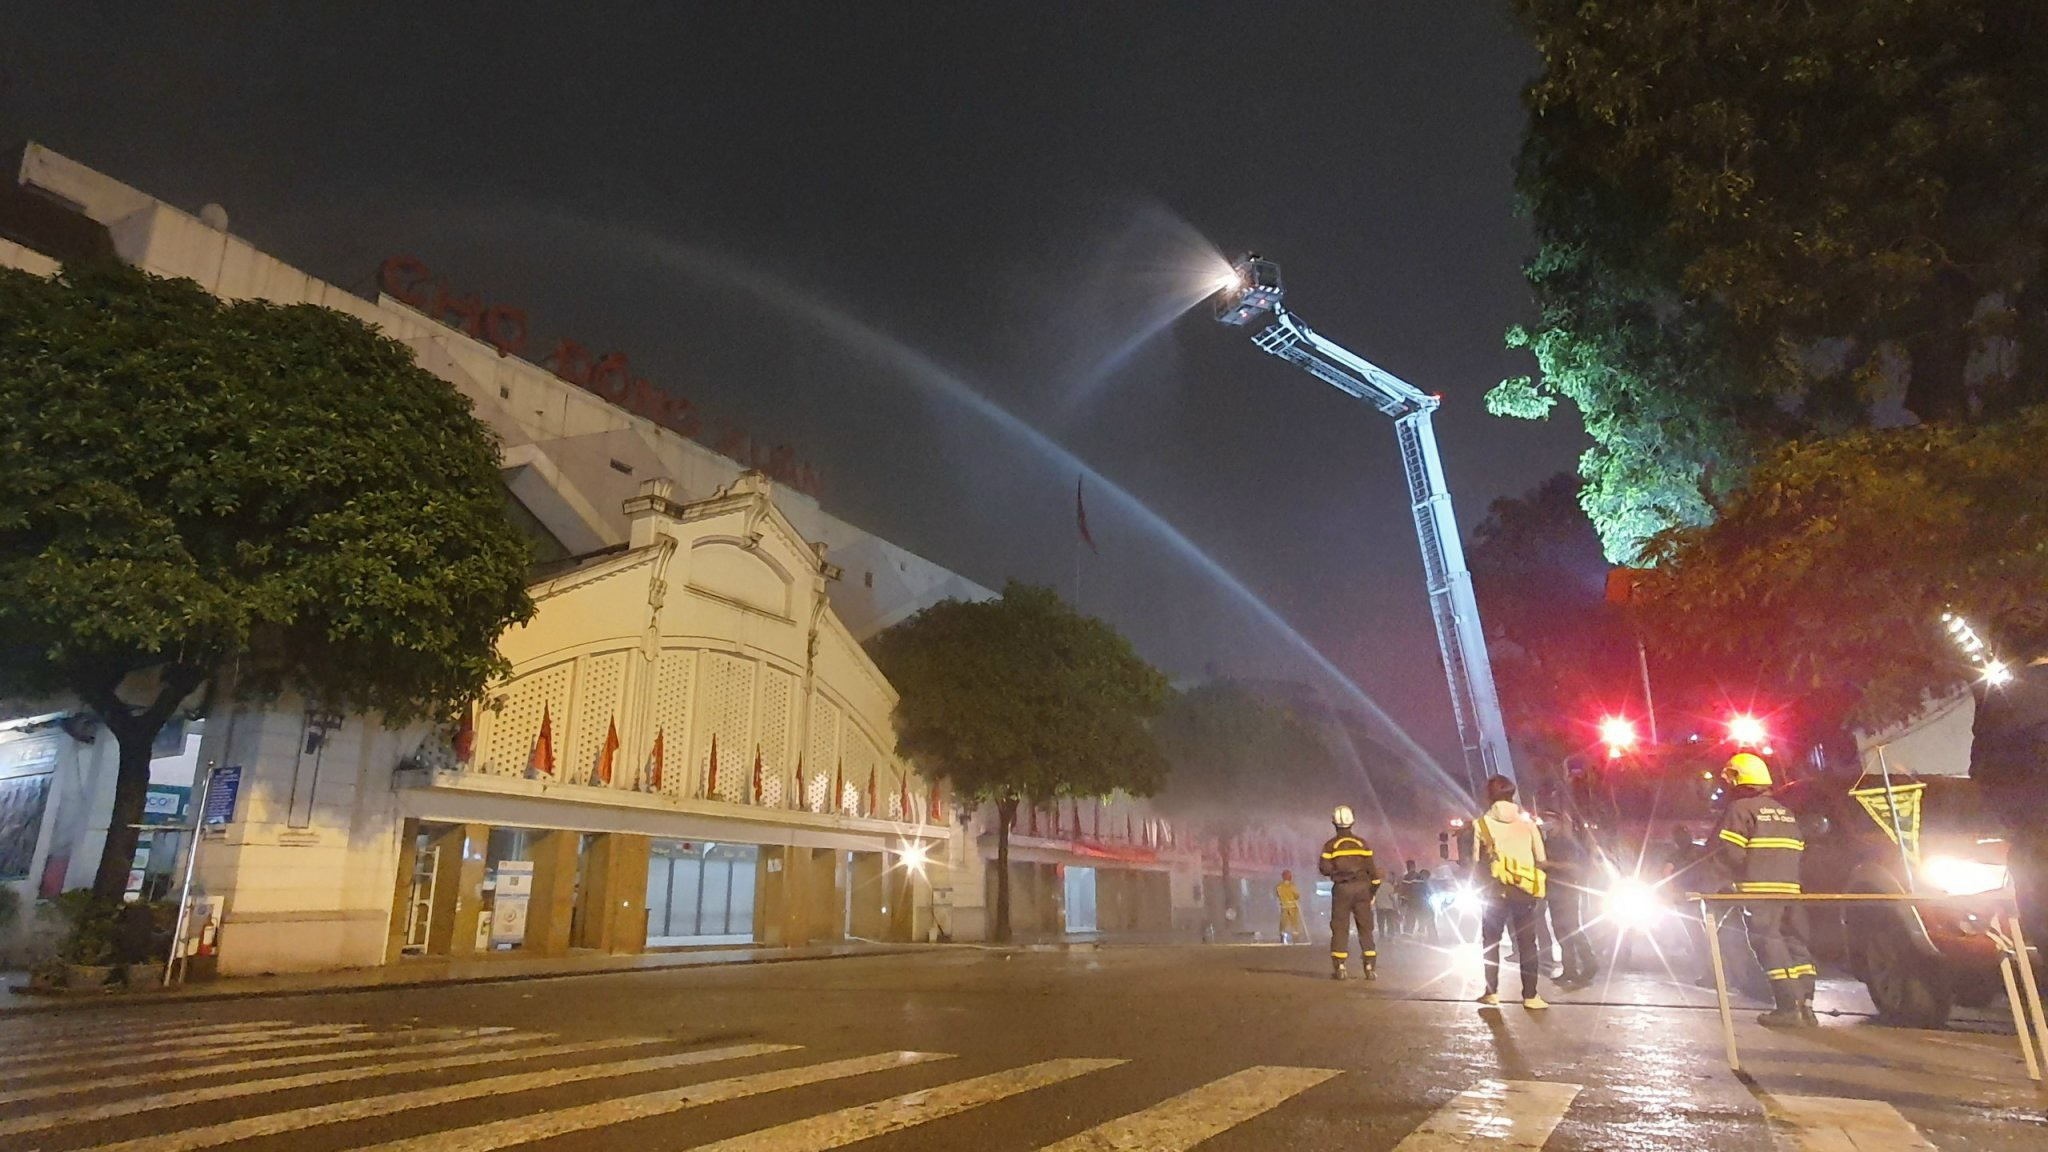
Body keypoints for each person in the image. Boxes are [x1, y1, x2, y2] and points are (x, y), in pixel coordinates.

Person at [1710, 752, 1817, 1027]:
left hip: (1757, 890)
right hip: (1790, 889)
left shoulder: (1741, 809)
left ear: (1739, 779)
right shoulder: (1784, 811)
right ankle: (1806, 1005)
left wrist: (1716, 886)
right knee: (1794, 943)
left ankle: (1787, 1007)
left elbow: (1729, 854)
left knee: (1767, 943)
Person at [1474, 775, 1548, 1010]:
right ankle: (1531, 996)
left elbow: (1477, 863)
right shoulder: (1528, 824)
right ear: (1512, 794)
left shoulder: (1481, 824)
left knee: (1491, 943)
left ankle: (1491, 992)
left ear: (1489, 795)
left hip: (1494, 892)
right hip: (1524, 891)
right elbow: (1541, 859)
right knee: (1527, 943)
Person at [1318, 804, 1383, 980]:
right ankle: (1369, 966)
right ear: (1352, 822)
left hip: (1342, 890)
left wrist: (1337, 872)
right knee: (1366, 928)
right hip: (1363, 889)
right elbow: (1374, 875)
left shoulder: (1331, 845)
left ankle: (1340, 967)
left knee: (1340, 927)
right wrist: (1372, 893)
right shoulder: (1362, 844)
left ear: (1334, 823)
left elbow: (1324, 868)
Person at [1541, 810, 1598, 987]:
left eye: (1549, 820)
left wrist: (1550, 865)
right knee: (1560, 931)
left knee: (1572, 928)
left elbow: (1574, 867)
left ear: (1557, 822)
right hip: (1553, 890)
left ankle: (1590, 965)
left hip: (1567, 891)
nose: (1545, 823)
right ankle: (1569, 969)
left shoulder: (1567, 843)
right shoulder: (1547, 842)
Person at [1275, 870, 1307, 944]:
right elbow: (1297, 895)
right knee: (1294, 922)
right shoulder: (1292, 886)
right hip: (1292, 906)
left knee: (1283, 923)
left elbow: (1278, 894)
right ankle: (1295, 936)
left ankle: (1282, 936)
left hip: (1284, 906)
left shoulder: (1279, 887)